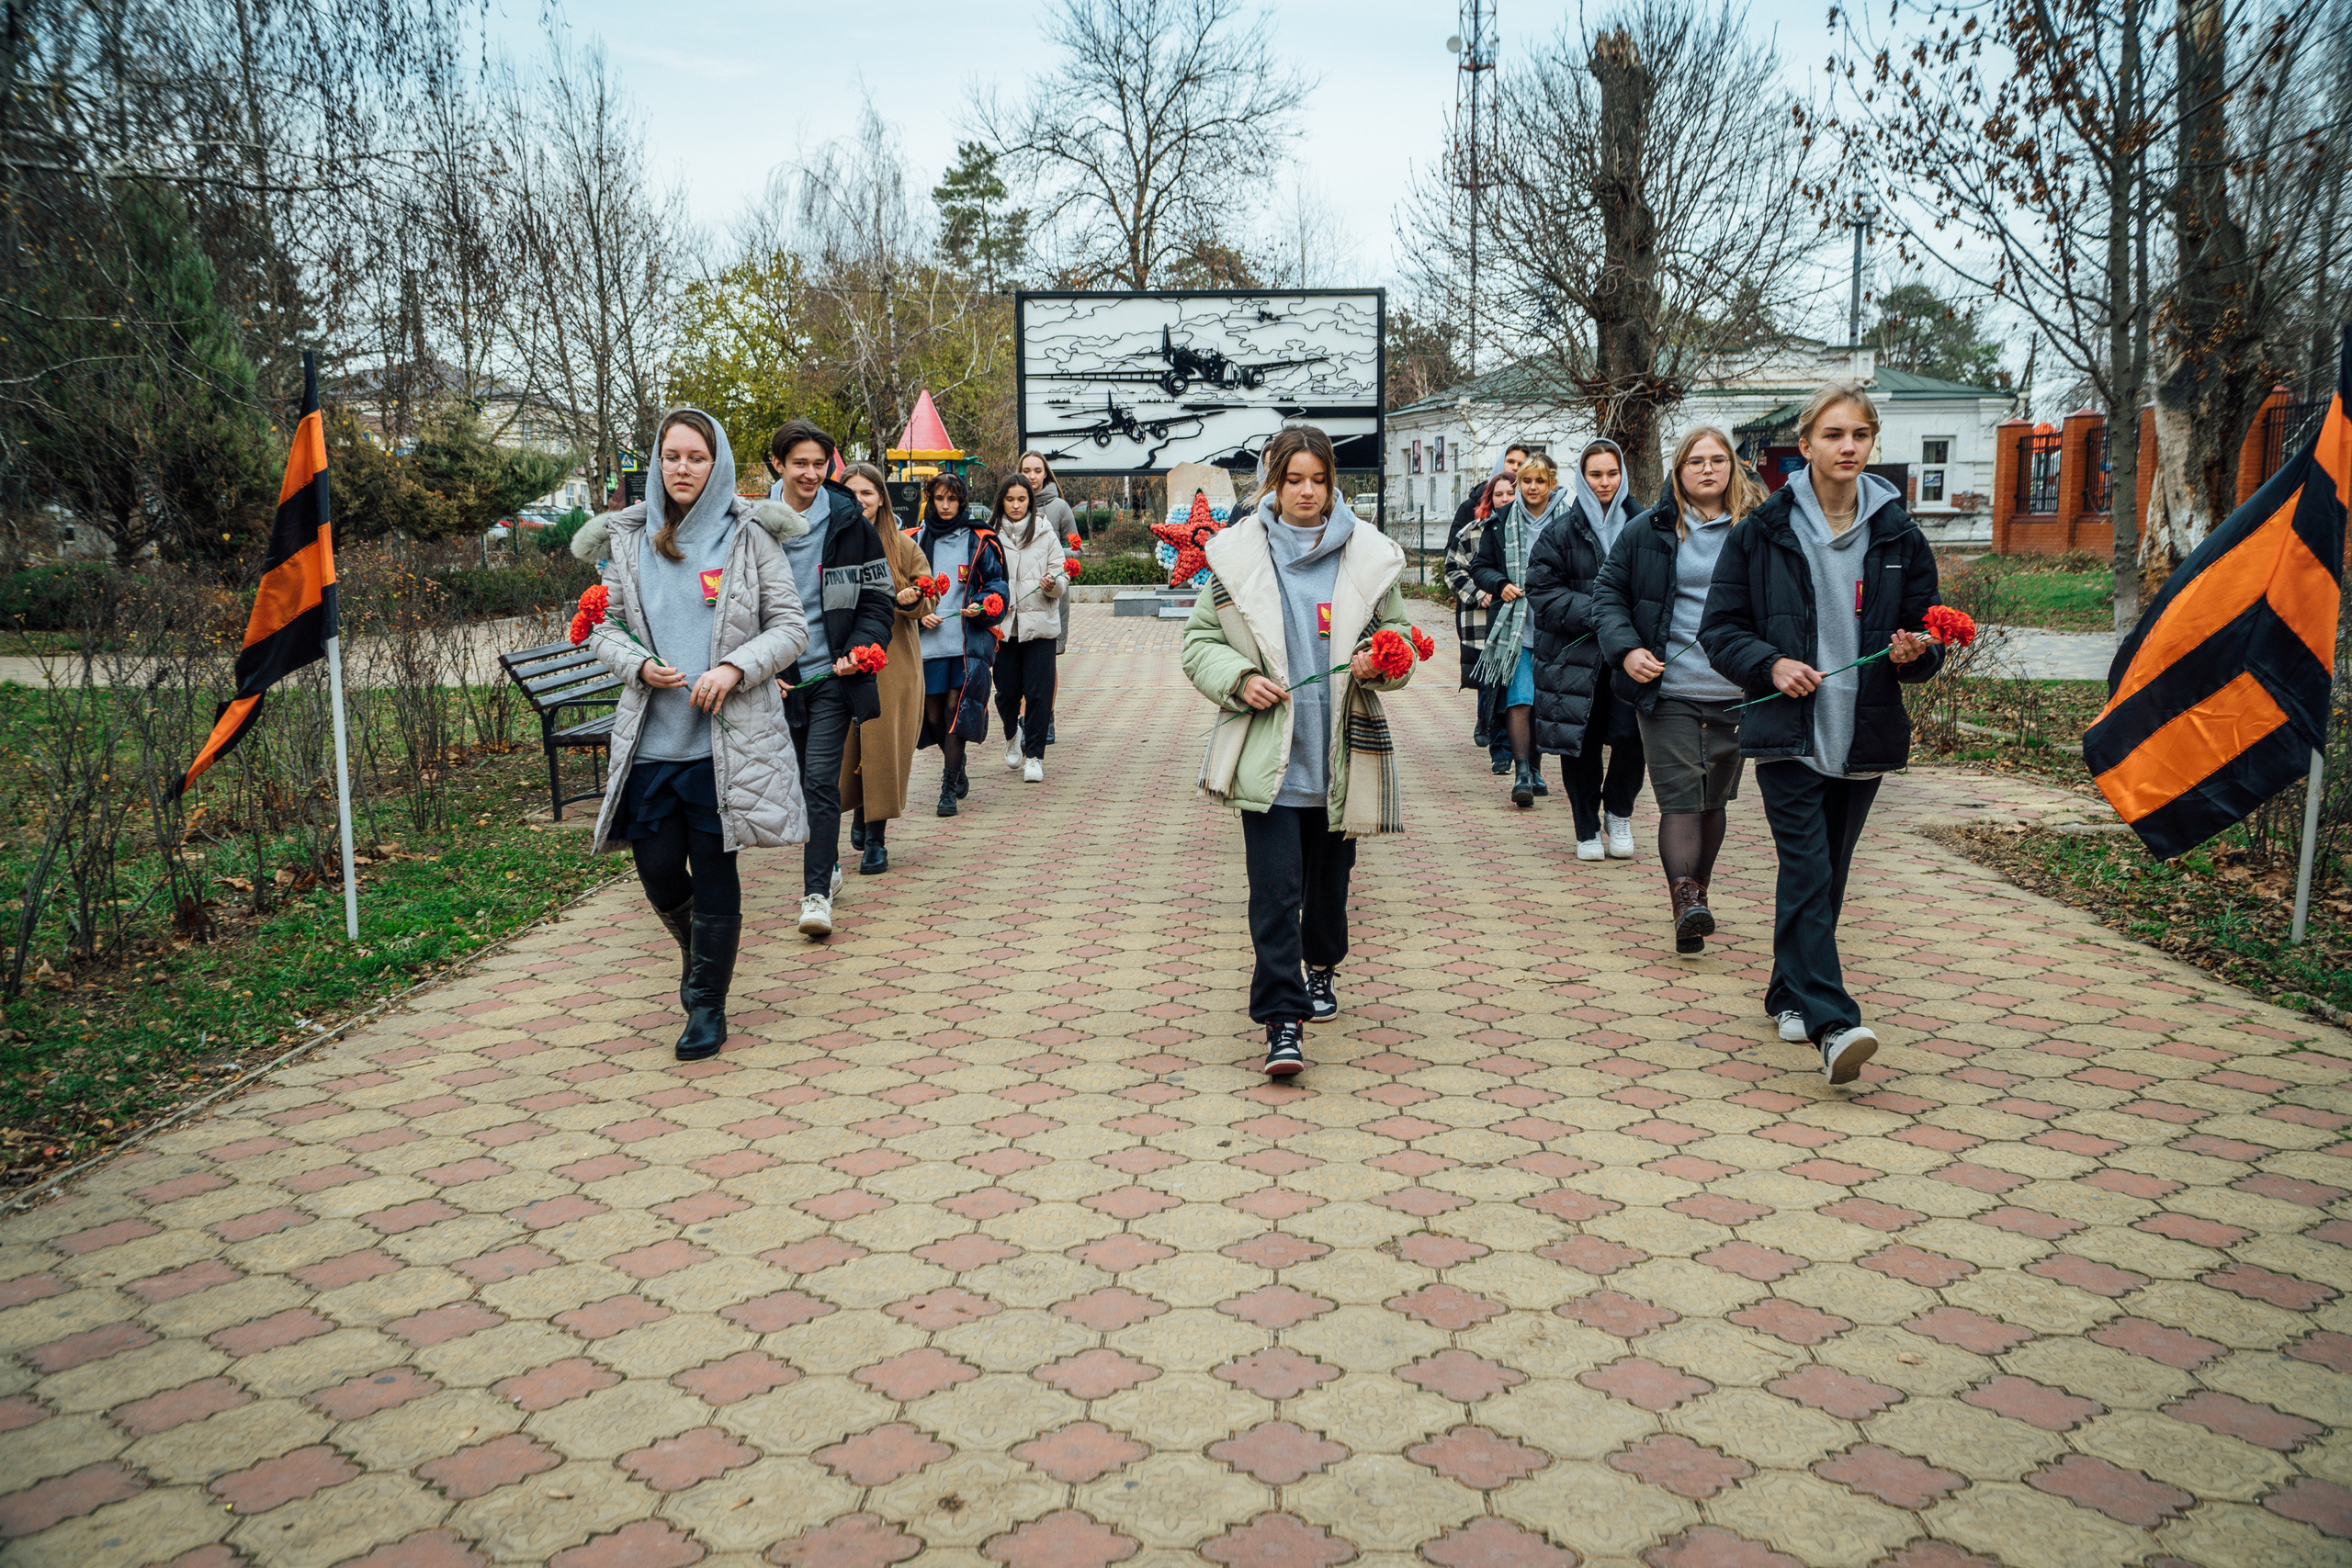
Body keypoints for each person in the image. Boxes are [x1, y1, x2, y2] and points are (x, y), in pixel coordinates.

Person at [1699, 383, 1945, 1084]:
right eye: (1833, 435)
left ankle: (1787, 990)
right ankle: (1834, 1024)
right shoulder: (1763, 530)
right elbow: (1719, 630)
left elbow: (1930, 634)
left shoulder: (1899, 533)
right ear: (1803, 445)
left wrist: (1916, 651)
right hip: (1788, 733)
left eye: (1859, 436)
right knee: (1807, 870)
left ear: (1871, 444)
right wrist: (1770, 664)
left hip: (1859, 735)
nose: (1847, 447)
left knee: (1826, 880)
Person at [1180, 426, 1418, 1077]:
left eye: (1318, 479)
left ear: (1332, 482)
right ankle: (1282, 1020)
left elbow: (1397, 635)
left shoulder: (1367, 555)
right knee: (1275, 893)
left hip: (1340, 754)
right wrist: (1237, 678)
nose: (1307, 491)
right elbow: (1200, 642)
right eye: (1294, 480)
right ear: (1274, 484)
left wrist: (1382, 661)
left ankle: (1322, 967)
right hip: (1270, 759)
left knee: (1329, 891)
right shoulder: (1236, 558)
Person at [574, 408, 808, 1061]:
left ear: (718, 463)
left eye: (696, 457)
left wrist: (734, 667)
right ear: (657, 462)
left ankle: (706, 1002)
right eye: (671, 456)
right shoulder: (626, 536)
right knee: (655, 870)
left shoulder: (750, 535)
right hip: (651, 742)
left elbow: (791, 629)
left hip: (723, 746)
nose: (682, 468)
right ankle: (699, 948)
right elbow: (601, 625)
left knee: (713, 867)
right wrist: (637, 663)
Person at [1594, 426, 1762, 953]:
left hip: (1736, 689)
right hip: (1666, 689)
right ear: (1678, 471)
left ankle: (1698, 899)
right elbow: (1609, 593)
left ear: (1733, 468)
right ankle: (1684, 898)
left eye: (1718, 460)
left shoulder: (1759, 529)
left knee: (1714, 800)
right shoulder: (1648, 529)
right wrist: (1626, 649)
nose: (1708, 469)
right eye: (1696, 461)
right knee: (1681, 799)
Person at [757, 421, 896, 938]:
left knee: (820, 780)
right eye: (800, 464)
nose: (811, 473)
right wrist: (758, 668)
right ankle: (831, 864)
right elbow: (732, 609)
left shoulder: (847, 520)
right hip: (777, 678)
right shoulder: (749, 524)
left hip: (834, 674)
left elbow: (878, 597)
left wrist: (862, 650)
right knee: (796, 783)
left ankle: (815, 894)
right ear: (778, 465)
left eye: (820, 463)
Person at [1523, 440, 1646, 861]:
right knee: (1582, 742)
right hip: (1576, 656)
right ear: (1582, 477)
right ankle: (1586, 827)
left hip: (1631, 654)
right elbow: (1541, 591)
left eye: (1612, 473)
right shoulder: (1560, 532)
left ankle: (1618, 810)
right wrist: (1602, 612)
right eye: (1596, 474)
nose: (1605, 482)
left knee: (1633, 736)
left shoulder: (1645, 525)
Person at [838, 461, 930, 875]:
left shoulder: (905, 546)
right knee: (843, 747)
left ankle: (876, 838)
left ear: (881, 499)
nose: (859, 502)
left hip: (892, 661)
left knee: (881, 748)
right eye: (851, 493)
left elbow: (928, 598)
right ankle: (855, 811)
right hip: (839, 658)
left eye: (867, 493)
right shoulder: (827, 540)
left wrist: (912, 600)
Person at [1467, 453, 1566, 807]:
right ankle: (1522, 772)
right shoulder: (1501, 521)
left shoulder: (1568, 521)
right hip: (1515, 629)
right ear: (1518, 482)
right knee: (1520, 697)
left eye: (1540, 481)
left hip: (1556, 628)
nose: (1533, 488)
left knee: (1542, 702)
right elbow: (1480, 566)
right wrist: (1501, 583)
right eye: (1527, 481)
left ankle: (1537, 769)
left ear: (1551, 483)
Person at [913, 471, 1009, 816]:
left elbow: (998, 584)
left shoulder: (980, 538)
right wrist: (918, 611)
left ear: (962, 501)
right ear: (930, 500)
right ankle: (957, 761)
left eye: (952, 499)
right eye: (939, 498)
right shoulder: (914, 538)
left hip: (966, 644)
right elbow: (900, 590)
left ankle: (948, 786)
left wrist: (982, 604)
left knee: (956, 709)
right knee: (935, 716)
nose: (945, 505)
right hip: (927, 645)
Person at [1444, 467, 1520, 775]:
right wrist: (1479, 593)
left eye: (1510, 493)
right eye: (1499, 494)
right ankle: (1498, 746)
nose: (1505, 499)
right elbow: (1453, 569)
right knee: (1491, 685)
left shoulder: (1529, 533)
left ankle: (1524, 755)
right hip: (1482, 623)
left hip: (1521, 625)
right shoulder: (1472, 532)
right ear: (1489, 498)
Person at [991, 476, 1068, 783]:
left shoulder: (1046, 532)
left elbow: (1062, 579)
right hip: (1004, 627)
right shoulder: (990, 534)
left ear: (1030, 501)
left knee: (1038, 693)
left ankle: (1034, 756)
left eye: (1021, 499)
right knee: (1006, 693)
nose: (1016, 505)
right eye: (1010, 499)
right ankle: (1012, 734)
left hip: (1040, 627)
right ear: (1002, 502)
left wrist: (1052, 585)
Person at [1020, 451, 1080, 672]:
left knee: (1047, 661)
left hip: (1050, 591)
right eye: (1026, 471)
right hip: (1020, 594)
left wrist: (1049, 554)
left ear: (1046, 474)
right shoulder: (1012, 506)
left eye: (1037, 471)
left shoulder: (1060, 507)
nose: (1032, 476)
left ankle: (1047, 708)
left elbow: (1077, 549)